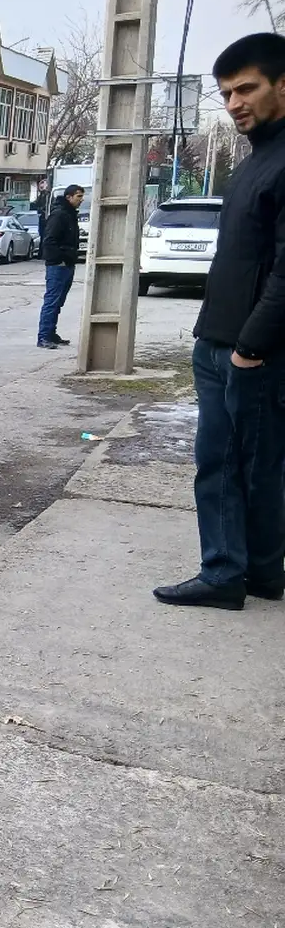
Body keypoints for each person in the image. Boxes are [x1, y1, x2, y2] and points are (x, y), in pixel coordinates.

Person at [154, 32, 285, 610]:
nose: (234, 102)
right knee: (243, 464)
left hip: (251, 351)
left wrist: (249, 348)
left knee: (231, 466)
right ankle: (260, 571)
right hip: (220, 342)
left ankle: (226, 574)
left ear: (283, 85)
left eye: (247, 88)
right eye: (226, 92)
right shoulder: (257, 159)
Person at [37, 186, 83, 348]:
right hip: (58, 265)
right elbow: (49, 241)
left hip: (68, 263)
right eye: (78, 196)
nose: (81, 199)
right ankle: (43, 337)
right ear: (69, 197)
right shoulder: (59, 215)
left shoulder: (70, 214)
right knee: (52, 300)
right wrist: (60, 259)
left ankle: (51, 333)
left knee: (59, 301)